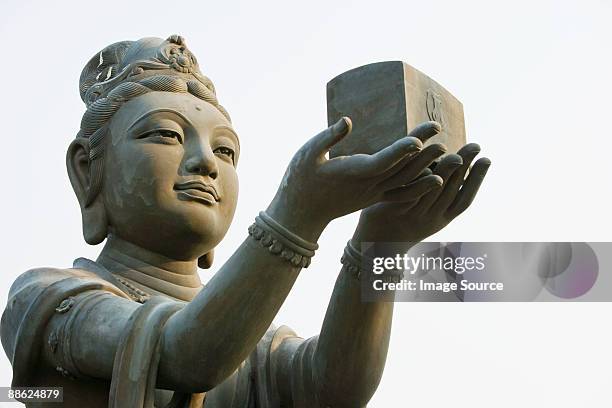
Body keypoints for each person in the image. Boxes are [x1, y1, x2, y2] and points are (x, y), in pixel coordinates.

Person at [0, 35, 490, 407]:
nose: (206, 163)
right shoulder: (48, 299)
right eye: (167, 136)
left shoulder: (256, 344)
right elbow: (186, 354)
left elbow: (332, 386)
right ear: (88, 171)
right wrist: (297, 215)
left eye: (225, 149)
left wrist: (380, 242)